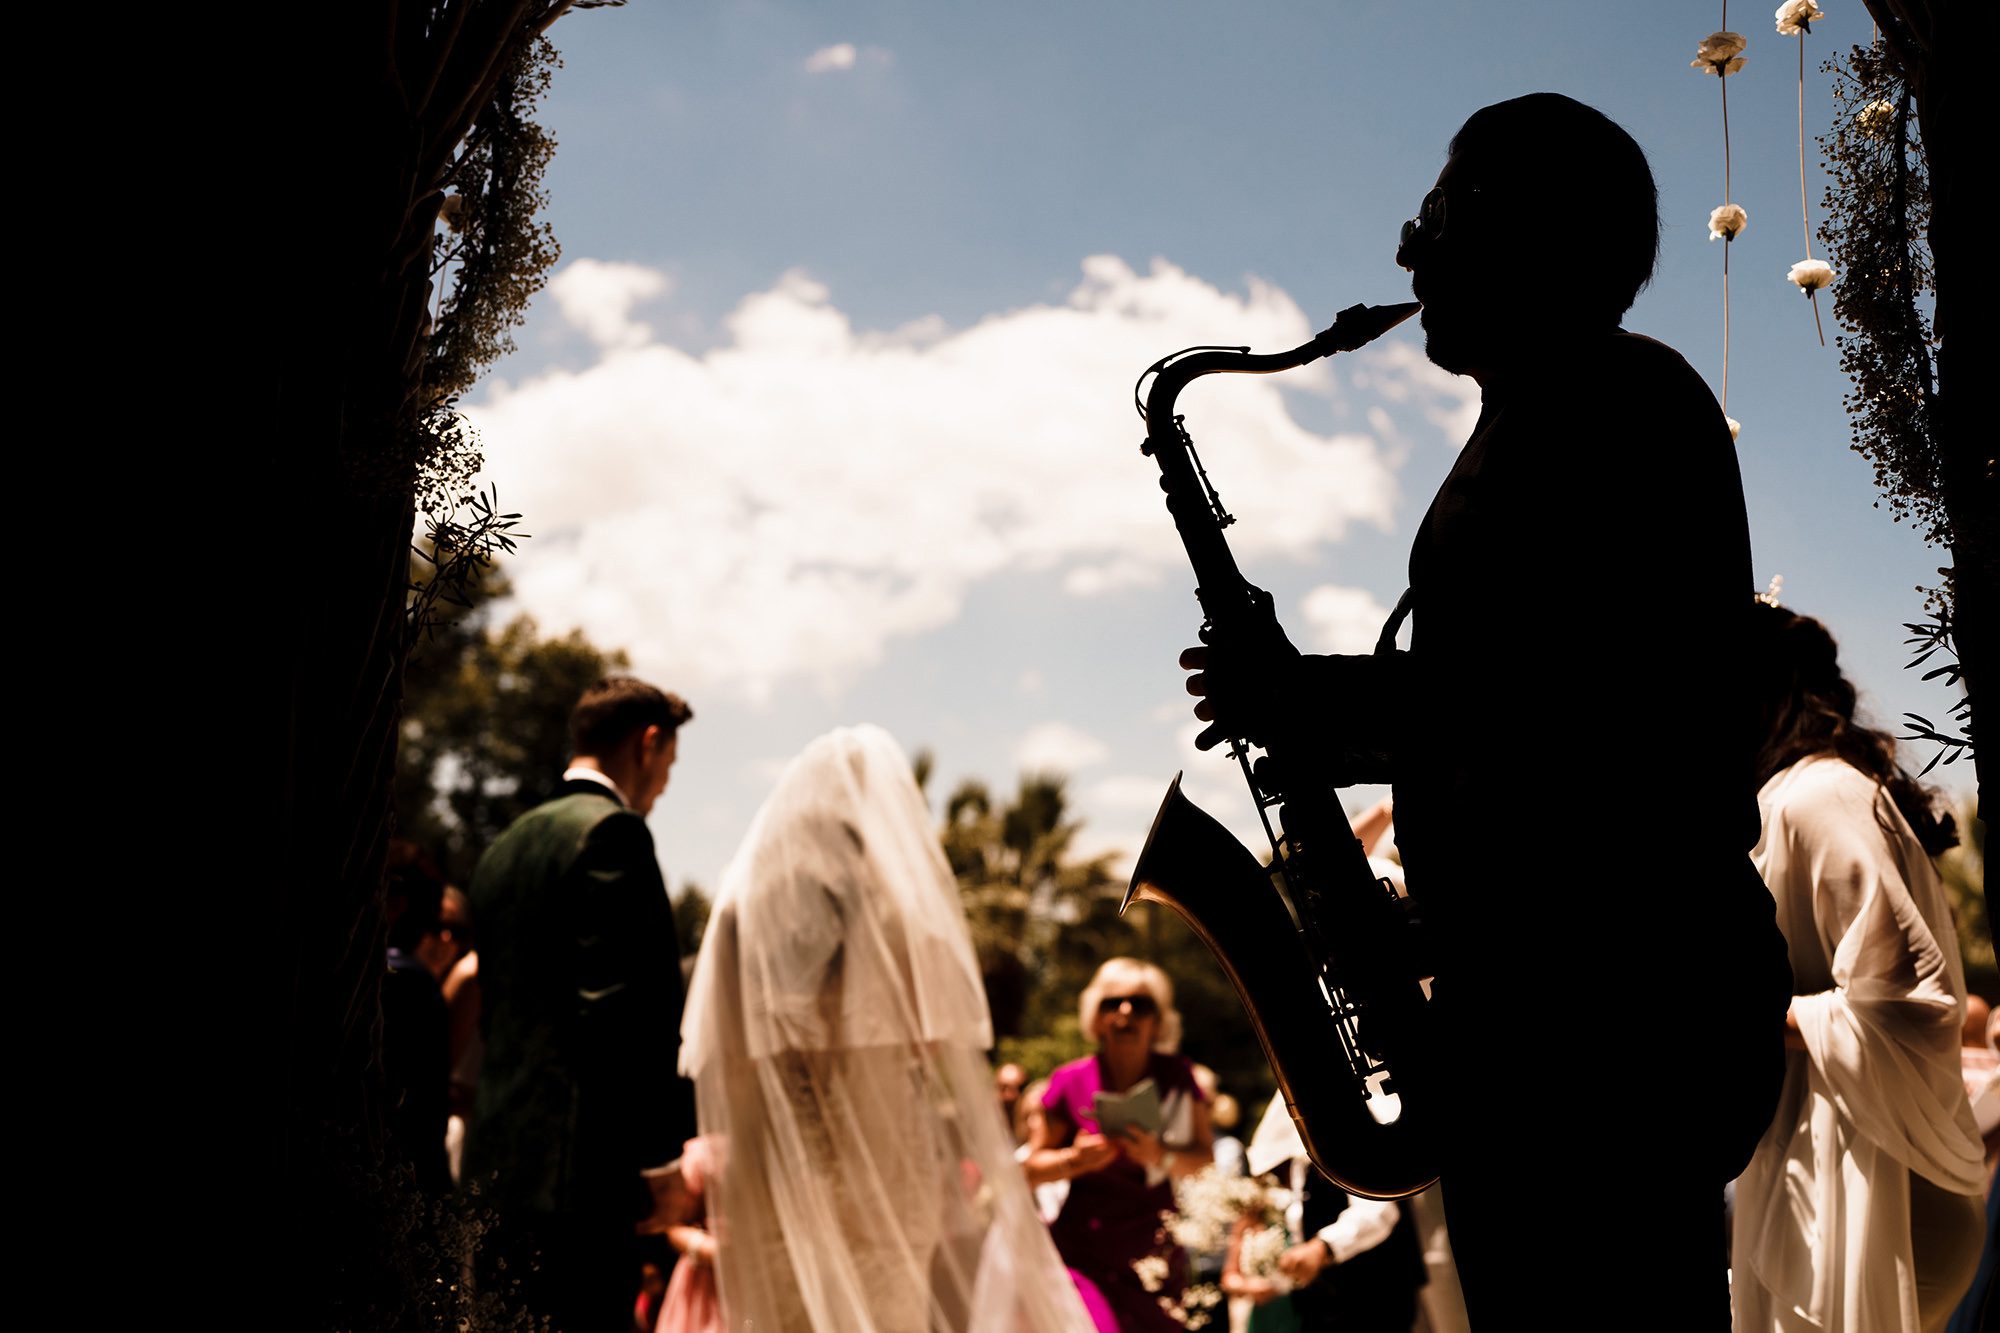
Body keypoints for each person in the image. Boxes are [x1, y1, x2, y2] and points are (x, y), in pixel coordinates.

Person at [1179, 93, 1792, 1325]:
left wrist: (1311, 699)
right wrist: (1430, 925)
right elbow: (1536, 747)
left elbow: (1569, 703)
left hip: (1604, 1024)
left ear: (1533, 228)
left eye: (1441, 207)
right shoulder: (1555, 411)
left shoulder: (1614, 399)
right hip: (1567, 1004)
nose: (1409, 245)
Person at [678, 725, 1093, 1333]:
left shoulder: (742, 912)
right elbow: (933, 1040)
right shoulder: (895, 920)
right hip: (886, 1165)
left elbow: (725, 1055)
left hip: (772, 1165)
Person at [1730, 602, 1984, 1333]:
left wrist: (1745, 1011)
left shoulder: (1820, 794)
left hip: (1890, 1195)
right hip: (1824, 1173)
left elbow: (1914, 1002)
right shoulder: (1789, 795)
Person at [463, 676, 699, 1333]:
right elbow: (623, 1016)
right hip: (579, 1182)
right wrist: (661, 1162)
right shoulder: (613, 834)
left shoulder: (503, 849)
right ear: (647, 744)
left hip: (493, 1171)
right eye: (670, 763)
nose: (665, 784)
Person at [1024, 958, 1215, 1331]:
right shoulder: (1069, 1080)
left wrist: (1158, 1155)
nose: (1125, 1012)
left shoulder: (1177, 1076)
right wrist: (1074, 1160)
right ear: (1096, 1018)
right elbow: (1028, 1171)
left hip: (1156, 1254)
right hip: (1084, 1254)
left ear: (1157, 1021)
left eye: (1140, 1005)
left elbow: (1204, 1161)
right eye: (1112, 1003)